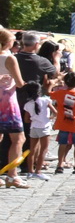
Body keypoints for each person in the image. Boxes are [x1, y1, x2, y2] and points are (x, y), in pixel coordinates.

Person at [0, 29, 26, 190]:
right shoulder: (10, 58)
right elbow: (20, 82)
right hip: (7, 103)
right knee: (18, 139)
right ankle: (12, 175)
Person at [51, 71, 75, 175]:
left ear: (65, 82)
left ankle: (59, 165)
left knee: (62, 144)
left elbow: (48, 93)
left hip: (63, 123)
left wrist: (55, 81)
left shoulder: (60, 93)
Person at [21, 82, 52, 180]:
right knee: (43, 150)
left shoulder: (28, 104)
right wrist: (49, 118)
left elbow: (26, 120)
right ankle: (38, 171)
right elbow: (55, 112)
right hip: (44, 128)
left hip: (33, 128)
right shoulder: (46, 100)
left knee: (32, 150)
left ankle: (30, 171)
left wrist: (34, 119)